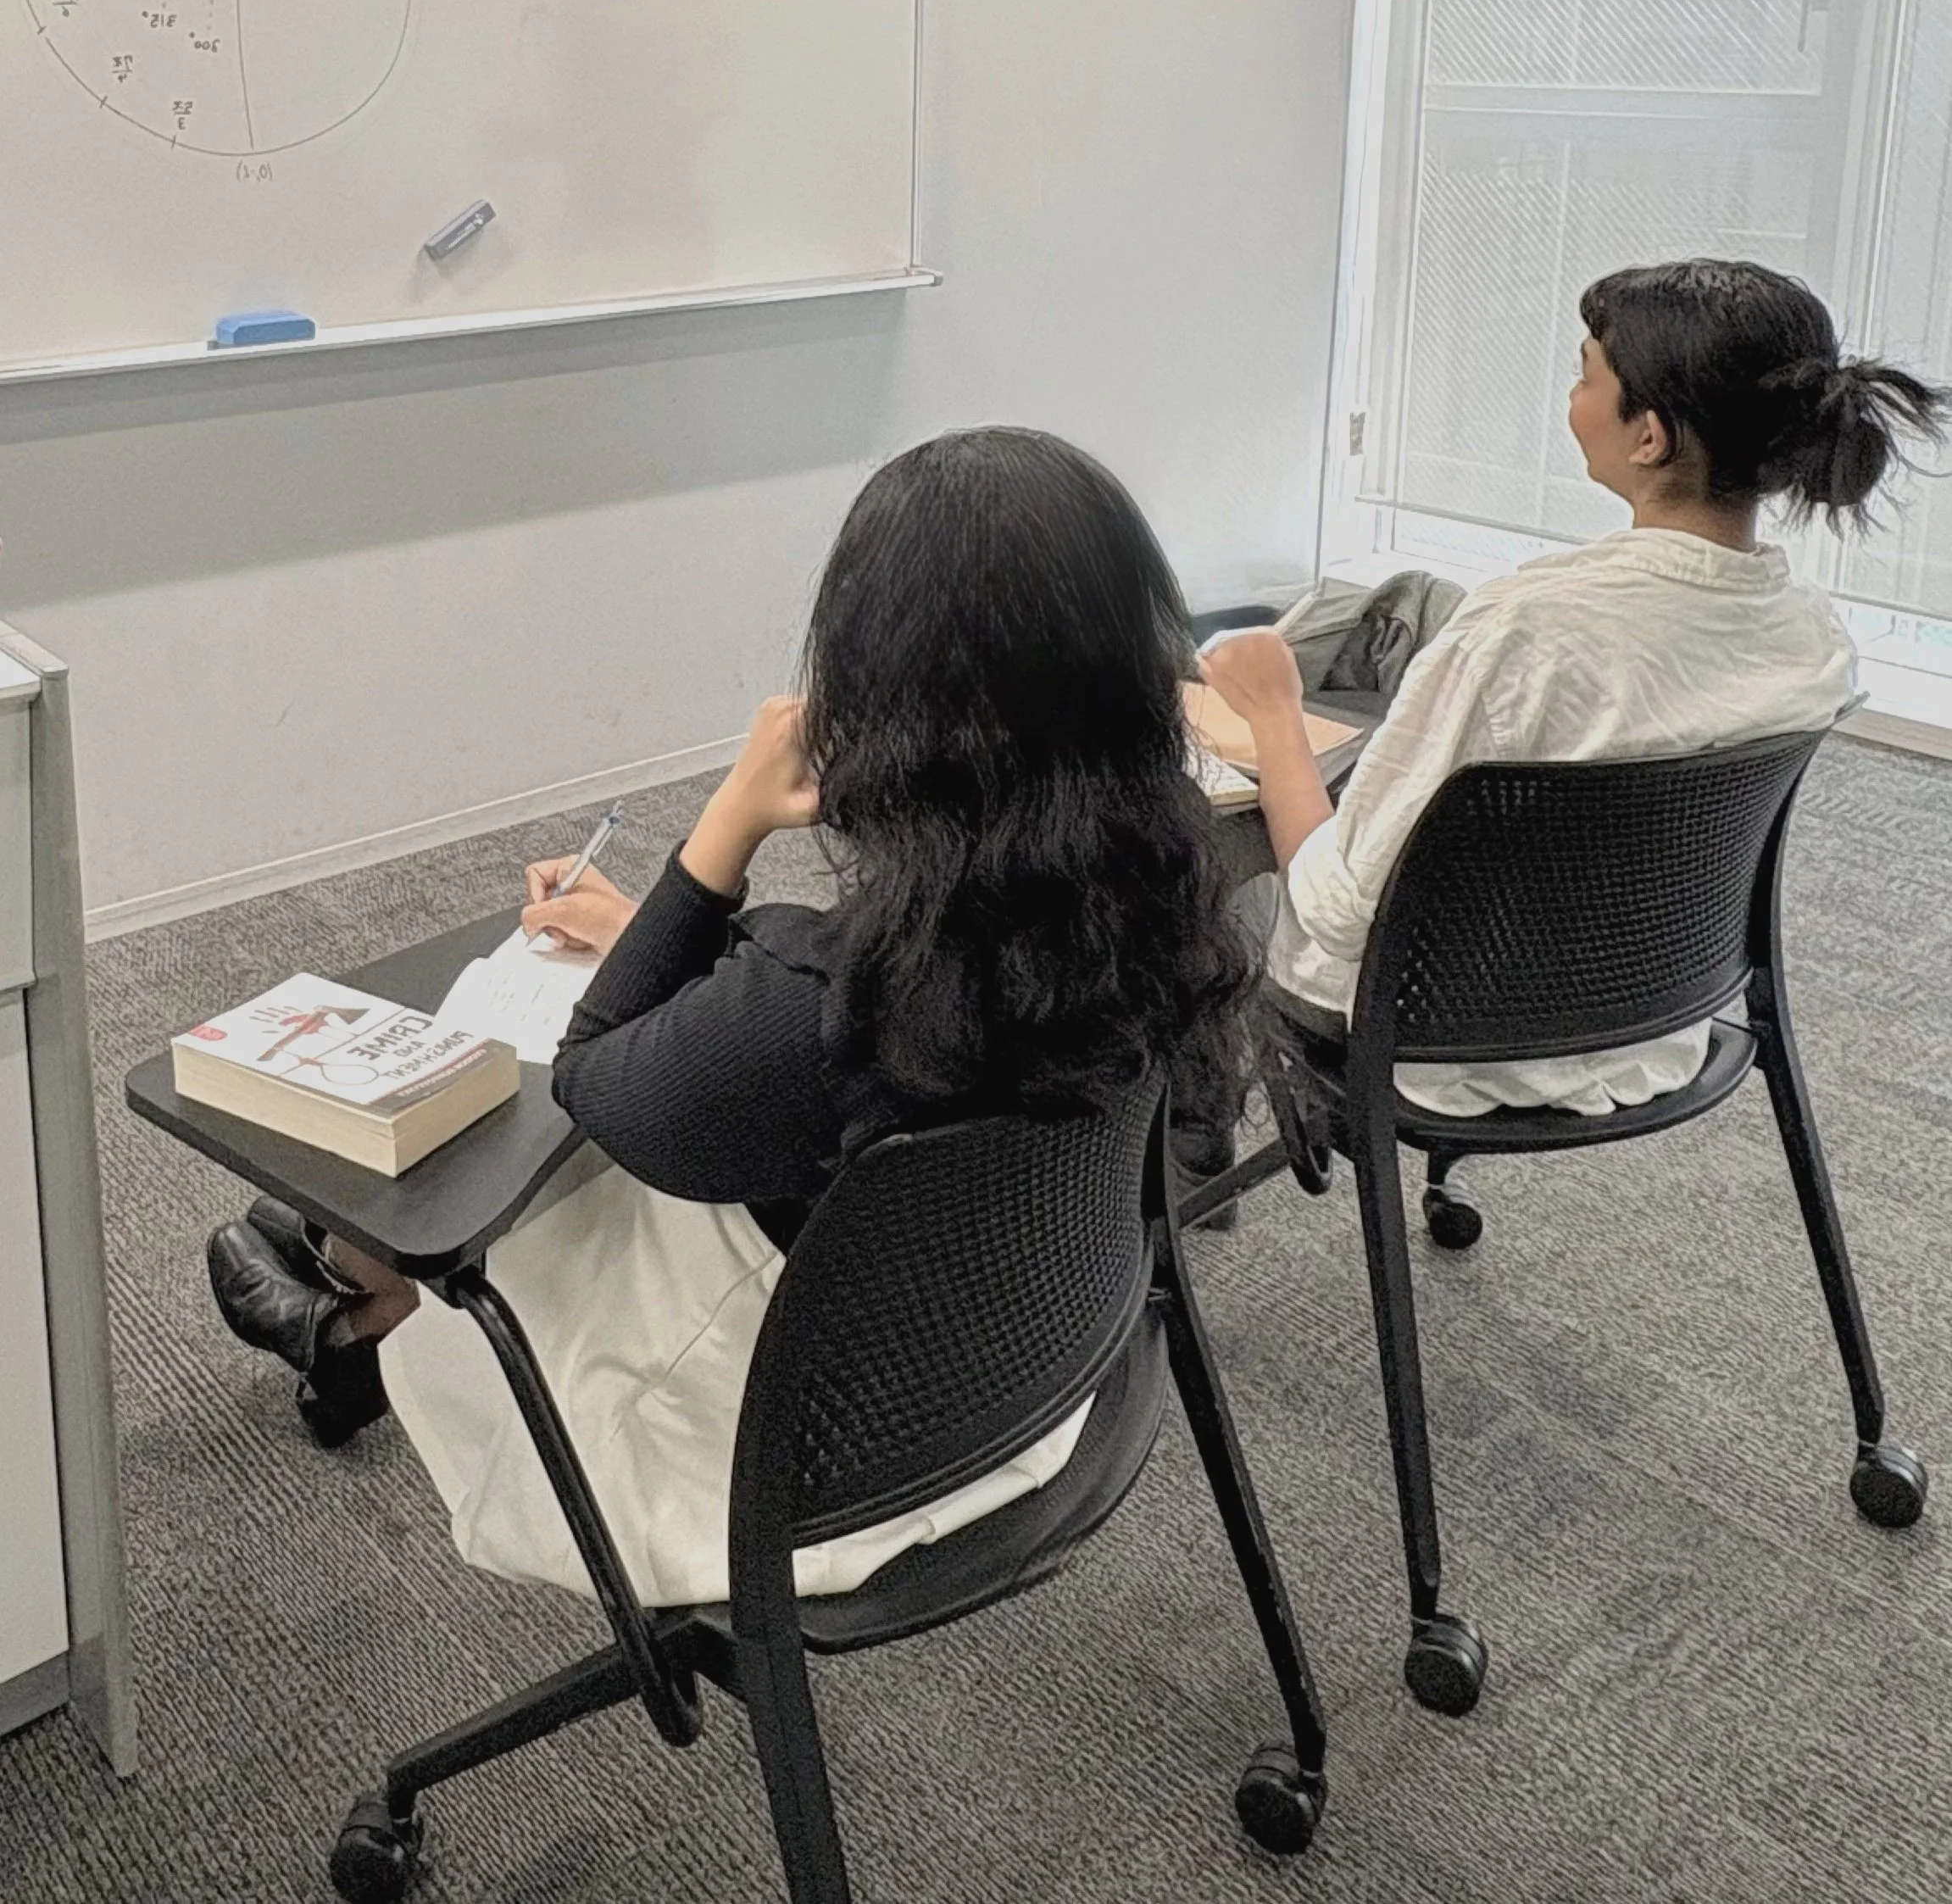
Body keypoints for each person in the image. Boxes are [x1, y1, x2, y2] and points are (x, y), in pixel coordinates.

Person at [206, 426, 1250, 1605]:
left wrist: (720, 834)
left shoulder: (816, 1002)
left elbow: (596, 1071)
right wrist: (680, 933)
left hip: (810, 1479)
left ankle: (363, 1302)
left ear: (876, 698)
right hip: (1043, 1381)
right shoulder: (1167, 916)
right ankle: (354, 1293)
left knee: (547, 1166)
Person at [1199, 259, 1949, 1118]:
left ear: (1648, 437)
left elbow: (1333, 906)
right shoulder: (1812, 636)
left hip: (1431, 1040)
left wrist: (1271, 716)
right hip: (1658, 1017)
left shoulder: (1524, 631)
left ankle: (1158, 1193)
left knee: (1185, 881)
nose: (1569, 396)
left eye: (1582, 373)